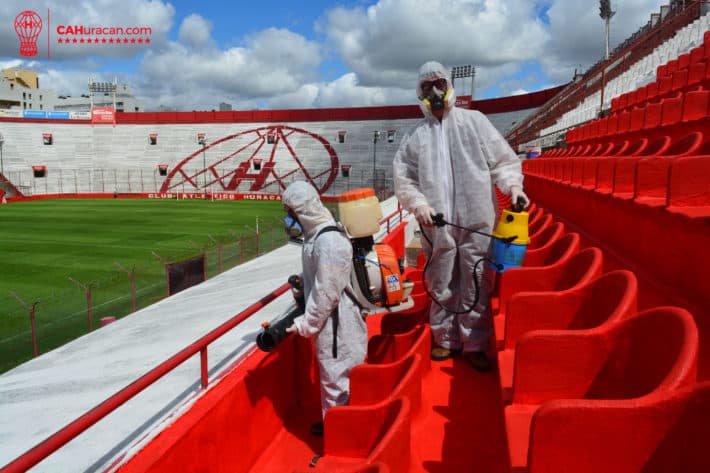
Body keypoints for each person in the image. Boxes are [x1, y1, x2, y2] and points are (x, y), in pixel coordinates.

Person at [393, 61, 529, 372]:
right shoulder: (415, 136)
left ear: (449, 83)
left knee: (477, 278)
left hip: (478, 216)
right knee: (441, 277)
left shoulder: (474, 122)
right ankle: (445, 338)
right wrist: (418, 205)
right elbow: (404, 178)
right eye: (427, 87)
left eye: (438, 83)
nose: (434, 91)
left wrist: (514, 187)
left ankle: (475, 342)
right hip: (436, 222)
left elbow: (503, 161)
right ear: (420, 92)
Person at [282, 181, 367, 435]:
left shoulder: (328, 241)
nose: (288, 219)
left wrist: (306, 324)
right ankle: (334, 423)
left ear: (303, 211)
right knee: (333, 377)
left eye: (291, 213)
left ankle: (341, 436)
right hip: (333, 321)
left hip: (338, 322)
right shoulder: (316, 237)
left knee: (338, 377)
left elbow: (326, 292)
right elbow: (321, 279)